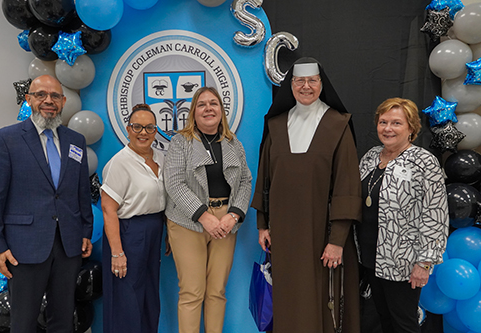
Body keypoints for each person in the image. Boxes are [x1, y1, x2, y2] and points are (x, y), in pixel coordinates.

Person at [251, 57, 362, 332]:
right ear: (291, 85)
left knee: (322, 300)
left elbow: (347, 185)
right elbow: (265, 176)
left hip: (322, 236)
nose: (306, 87)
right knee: (289, 301)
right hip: (284, 236)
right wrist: (263, 224)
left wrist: (337, 240)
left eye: (312, 80)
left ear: (321, 84)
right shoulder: (276, 125)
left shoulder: (338, 124)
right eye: (299, 81)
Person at [0, 75, 93, 333]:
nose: (48, 101)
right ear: (29, 99)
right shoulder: (5, 140)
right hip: (23, 248)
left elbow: (81, 191)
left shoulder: (75, 141)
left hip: (68, 246)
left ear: (63, 102)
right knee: (23, 322)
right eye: (41, 95)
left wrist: (86, 230)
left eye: (54, 96)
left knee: (63, 319)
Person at [164, 86, 252, 333]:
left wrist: (233, 215)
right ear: (193, 112)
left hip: (226, 222)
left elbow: (245, 181)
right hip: (187, 223)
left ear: (221, 111)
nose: (208, 108)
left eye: (214, 103)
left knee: (217, 291)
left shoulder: (234, 144)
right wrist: (204, 216)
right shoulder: (180, 142)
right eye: (202, 104)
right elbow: (174, 183)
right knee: (192, 292)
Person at [357, 97, 448, 333]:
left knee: (404, 324)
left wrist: (424, 263)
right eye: (383, 122)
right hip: (370, 257)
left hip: (404, 263)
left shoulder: (424, 162)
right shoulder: (370, 158)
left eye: (396, 123)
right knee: (383, 319)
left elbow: (435, 215)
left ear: (411, 128)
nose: (388, 129)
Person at [101, 104, 166, 332]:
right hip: (128, 234)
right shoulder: (119, 163)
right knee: (126, 299)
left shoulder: (161, 158)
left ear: (156, 131)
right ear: (128, 129)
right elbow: (108, 210)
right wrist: (117, 253)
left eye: (149, 127)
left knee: (149, 297)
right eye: (137, 126)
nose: (143, 133)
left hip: (154, 230)